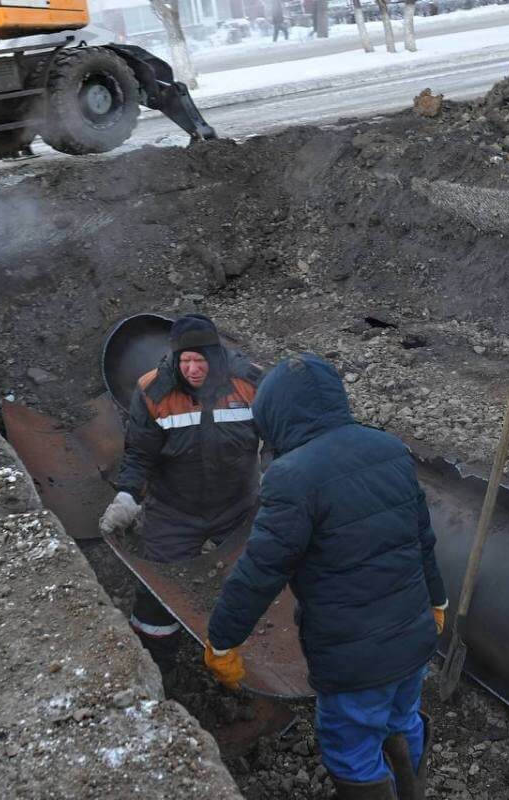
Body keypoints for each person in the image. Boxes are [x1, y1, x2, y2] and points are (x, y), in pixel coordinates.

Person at [204, 354, 449, 800]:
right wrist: (437, 602)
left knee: (350, 748)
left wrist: (223, 640)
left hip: (352, 661)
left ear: (276, 415)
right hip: (413, 639)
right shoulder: (388, 448)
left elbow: (260, 572)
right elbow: (421, 540)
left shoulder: (292, 477)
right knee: (402, 719)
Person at [99, 313, 262, 680]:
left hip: (238, 508)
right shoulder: (153, 390)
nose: (191, 369)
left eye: (199, 360)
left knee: (256, 582)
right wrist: (127, 495)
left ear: (216, 356)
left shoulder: (248, 383)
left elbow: (279, 435)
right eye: (183, 360)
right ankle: (158, 672)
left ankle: (251, 662)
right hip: (174, 511)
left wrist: (277, 481)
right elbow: (140, 452)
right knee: (159, 596)